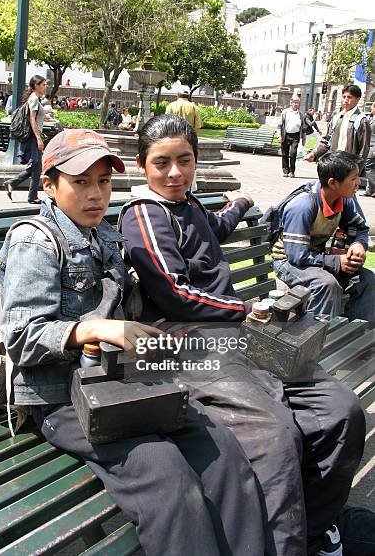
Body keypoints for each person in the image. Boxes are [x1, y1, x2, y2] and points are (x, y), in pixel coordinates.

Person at [0, 127, 271, 556]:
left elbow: (129, 306)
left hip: (119, 383)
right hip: (59, 400)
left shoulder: (105, 237)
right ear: (49, 186)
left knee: (222, 452)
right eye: (81, 182)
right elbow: (21, 336)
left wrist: (156, 329)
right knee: (168, 475)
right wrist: (92, 329)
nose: (95, 195)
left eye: (104, 182)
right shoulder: (35, 240)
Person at [120, 115, 366, 556]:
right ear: (142, 165)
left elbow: (212, 229)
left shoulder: (187, 204)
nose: (175, 172)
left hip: (241, 336)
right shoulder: (144, 215)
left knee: (341, 411)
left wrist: (240, 202)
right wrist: (246, 308)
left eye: (185, 160)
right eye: (161, 163)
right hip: (194, 344)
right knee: (276, 438)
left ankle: (316, 528)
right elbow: (174, 294)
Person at [272, 151, 374, 323]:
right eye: (353, 178)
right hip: (287, 261)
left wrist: (359, 244)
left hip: (316, 257)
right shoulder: (303, 206)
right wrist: (336, 262)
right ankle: (319, 339)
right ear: (333, 183)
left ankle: (359, 335)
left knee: (368, 280)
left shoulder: (345, 198)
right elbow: (297, 256)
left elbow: (360, 227)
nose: (358, 183)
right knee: (326, 284)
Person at [306, 85, 371, 174]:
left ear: (357, 99)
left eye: (349, 97)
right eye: (344, 97)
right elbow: (327, 140)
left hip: (350, 167)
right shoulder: (337, 118)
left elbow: (364, 149)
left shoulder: (361, 120)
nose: (346, 100)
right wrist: (314, 153)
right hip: (334, 164)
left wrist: (356, 172)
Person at [3, 75, 47, 205]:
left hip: (34, 135)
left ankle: (25, 191)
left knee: (36, 167)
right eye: (43, 85)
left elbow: (36, 117)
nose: (45, 87)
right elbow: (32, 119)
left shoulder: (34, 99)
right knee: (36, 166)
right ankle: (17, 186)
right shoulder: (34, 99)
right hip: (33, 136)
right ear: (36, 86)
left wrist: (46, 118)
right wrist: (39, 138)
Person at [278, 97, 306, 178]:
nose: (296, 104)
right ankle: (285, 170)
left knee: (293, 153)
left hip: (295, 136)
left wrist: (304, 139)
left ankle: (292, 171)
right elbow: (280, 125)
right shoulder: (285, 112)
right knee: (285, 154)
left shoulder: (300, 114)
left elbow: (303, 127)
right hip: (286, 135)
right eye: (294, 102)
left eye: (297, 102)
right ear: (291, 103)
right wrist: (279, 136)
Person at [361, 101, 375, 197]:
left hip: (373, 147)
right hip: (369, 146)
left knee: (368, 167)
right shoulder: (371, 118)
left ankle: (372, 189)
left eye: (373, 107)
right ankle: (369, 190)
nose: (371, 108)